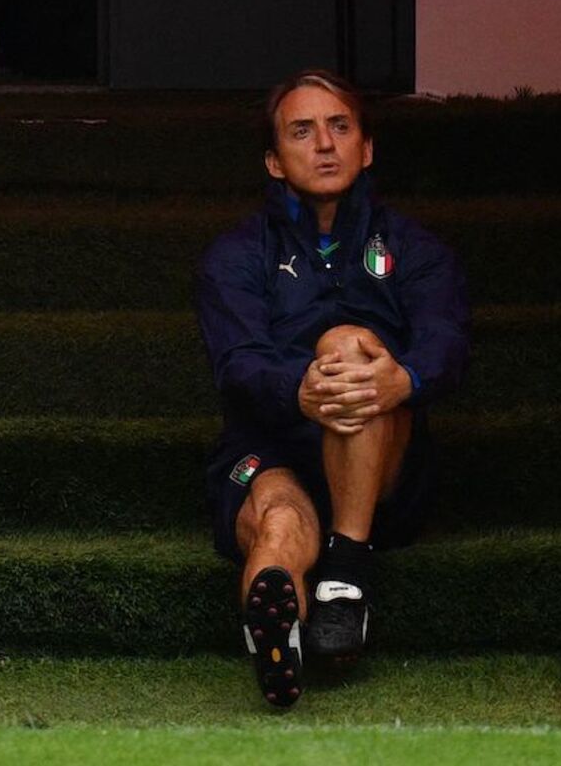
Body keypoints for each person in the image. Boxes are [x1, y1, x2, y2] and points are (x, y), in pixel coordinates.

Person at [195, 70, 469, 708]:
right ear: (273, 160)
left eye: (340, 127)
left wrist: (402, 375)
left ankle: (344, 574)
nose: (324, 144)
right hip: (273, 445)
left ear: (366, 148)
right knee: (281, 524)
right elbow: (237, 363)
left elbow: (447, 340)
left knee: (353, 349)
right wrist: (300, 390)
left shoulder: (415, 247)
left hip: (383, 459)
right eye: (302, 131)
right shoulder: (236, 254)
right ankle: (275, 629)